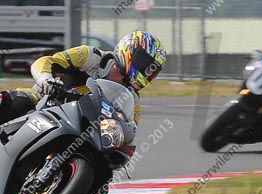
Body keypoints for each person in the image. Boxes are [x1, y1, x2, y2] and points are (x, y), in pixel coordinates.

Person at [0, 30, 167, 128]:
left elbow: (130, 131)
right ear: (129, 50)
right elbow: (46, 61)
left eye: (152, 70)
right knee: (15, 101)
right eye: (145, 64)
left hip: (77, 129)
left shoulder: (132, 100)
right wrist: (46, 80)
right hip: (42, 103)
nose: (147, 72)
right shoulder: (91, 56)